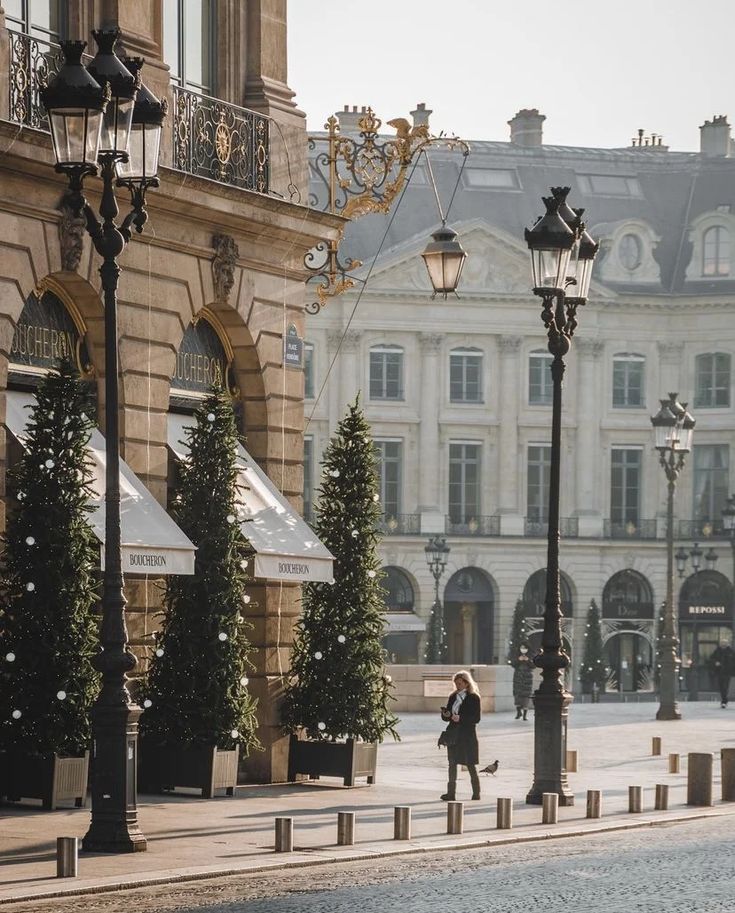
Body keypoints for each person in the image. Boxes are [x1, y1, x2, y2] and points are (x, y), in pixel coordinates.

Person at [439, 669, 481, 801]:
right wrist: (446, 715)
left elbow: (476, 718)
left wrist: (460, 718)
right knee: (452, 763)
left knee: (470, 763)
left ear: (467, 683)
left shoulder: (473, 697)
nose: (457, 686)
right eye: (456, 683)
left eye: (460, 683)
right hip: (453, 733)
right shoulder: (453, 696)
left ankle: (476, 793)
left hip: (467, 735)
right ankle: (451, 793)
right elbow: (447, 717)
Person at [708, 641, 735, 708]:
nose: (723, 645)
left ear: (727, 644)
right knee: (721, 687)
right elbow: (711, 658)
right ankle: (724, 700)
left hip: (728, 672)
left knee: (725, 686)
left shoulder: (731, 651)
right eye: (722, 644)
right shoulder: (717, 651)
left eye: (724, 644)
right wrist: (715, 662)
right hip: (719, 671)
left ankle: (724, 701)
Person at [512, 643, 534, 720]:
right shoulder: (516, 655)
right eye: (522, 647)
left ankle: (525, 715)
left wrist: (528, 660)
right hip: (518, 679)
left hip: (527, 680)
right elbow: (513, 664)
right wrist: (518, 660)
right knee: (517, 697)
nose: (523, 649)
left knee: (526, 698)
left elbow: (533, 666)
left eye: (525, 648)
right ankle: (518, 712)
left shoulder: (531, 656)